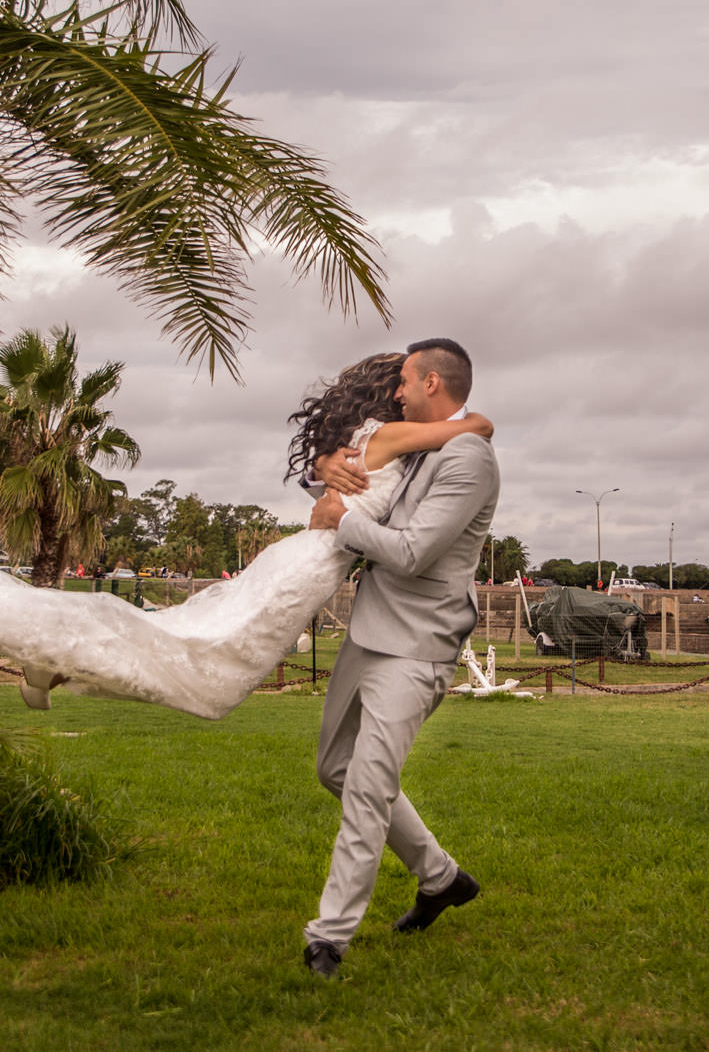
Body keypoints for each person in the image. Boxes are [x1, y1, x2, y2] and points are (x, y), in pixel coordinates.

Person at [0, 351, 493, 720]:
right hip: (313, 559)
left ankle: (53, 664)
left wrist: (330, 474)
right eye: (404, 384)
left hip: (310, 556)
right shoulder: (389, 436)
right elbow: (476, 426)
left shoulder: (371, 442)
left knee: (196, 639)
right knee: (206, 649)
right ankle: (53, 657)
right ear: (394, 393)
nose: (409, 390)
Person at [299, 337, 498, 979]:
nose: (398, 393)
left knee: (367, 786)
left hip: (417, 648)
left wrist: (336, 520)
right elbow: (361, 468)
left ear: (433, 383)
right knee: (335, 768)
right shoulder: (426, 440)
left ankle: (328, 937)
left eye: (407, 383)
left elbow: (412, 551)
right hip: (369, 632)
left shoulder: (470, 461)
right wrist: (328, 470)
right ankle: (440, 878)